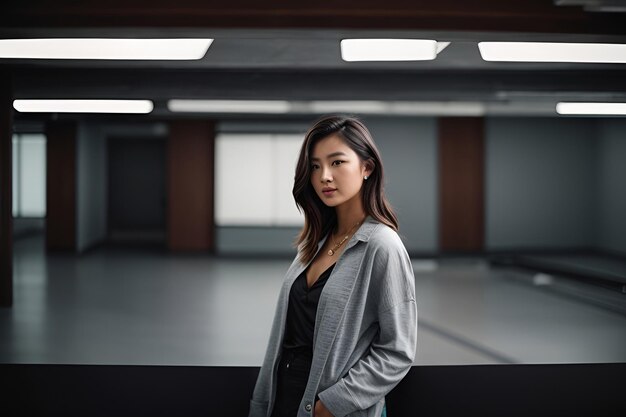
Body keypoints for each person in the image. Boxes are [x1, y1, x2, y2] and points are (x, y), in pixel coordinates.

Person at [249, 115, 418, 417]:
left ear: (367, 167)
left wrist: (333, 403)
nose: (324, 176)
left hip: (330, 408)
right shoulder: (313, 242)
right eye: (315, 166)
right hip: (284, 397)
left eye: (337, 162)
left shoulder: (382, 245)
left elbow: (397, 351)